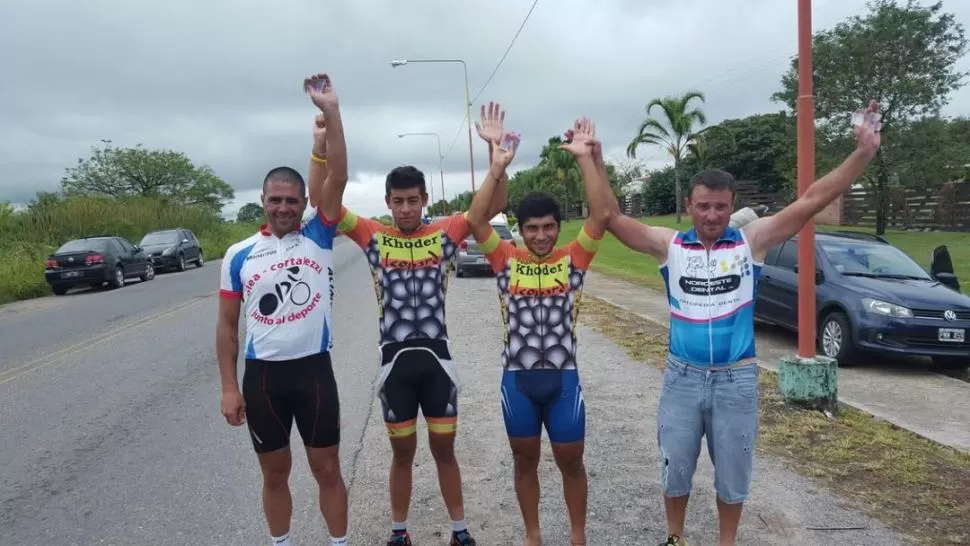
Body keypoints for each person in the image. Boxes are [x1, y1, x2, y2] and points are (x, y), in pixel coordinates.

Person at [604, 101, 882, 546]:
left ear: (731, 206)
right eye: (703, 207)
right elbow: (611, 218)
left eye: (720, 207)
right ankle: (675, 538)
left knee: (733, 470)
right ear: (689, 206)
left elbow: (812, 200)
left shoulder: (751, 241)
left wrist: (863, 153)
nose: (711, 216)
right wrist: (591, 158)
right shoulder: (669, 246)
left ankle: (726, 542)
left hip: (736, 378)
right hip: (682, 377)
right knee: (675, 464)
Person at [308, 102, 511, 546]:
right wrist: (321, 147)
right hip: (394, 364)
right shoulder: (372, 235)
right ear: (387, 203)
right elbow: (324, 203)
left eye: (413, 200)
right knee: (402, 453)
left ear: (424, 200)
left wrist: (497, 155)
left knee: (444, 450)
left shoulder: (445, 232)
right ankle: (399, 533)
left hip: (437, 362)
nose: (405, 208)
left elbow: (493, 206)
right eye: (398, 201)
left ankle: (460, 531)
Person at [216, 72, 352, 546]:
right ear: (262, 201)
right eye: (275, 200)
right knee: (275, 474)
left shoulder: (318, 234)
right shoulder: (238, 254)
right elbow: (228, 328)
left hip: (314, 372)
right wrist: (230, 387)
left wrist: (331, 113)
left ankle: (339, 542)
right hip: (264, 379)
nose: (283, 207)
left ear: (304, 203)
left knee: (328, 469)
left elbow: (339, 173)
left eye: (292, 200)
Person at [463, 116, 613, 546]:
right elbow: (476, 221)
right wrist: (498, 164)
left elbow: (602, 215)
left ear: (558, 228)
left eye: (549, 227)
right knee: (524, 462)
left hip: (563, 379)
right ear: (520, 229)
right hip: (519, 380)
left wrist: (586, 158)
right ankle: (533, 536)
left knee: (572, 463)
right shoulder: (505, 258)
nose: (542, 235)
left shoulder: (573, 259)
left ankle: (578, 536)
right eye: (532, 228)